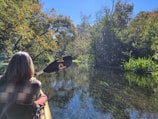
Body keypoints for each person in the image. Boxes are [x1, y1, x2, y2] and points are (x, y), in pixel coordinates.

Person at [0, 51, 48, 119]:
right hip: (24, 116)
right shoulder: (35, 85)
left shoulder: (1, 81)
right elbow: (37, 99)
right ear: (29, 66)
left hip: (3, 116)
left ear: (10, 65)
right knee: (43, 99)